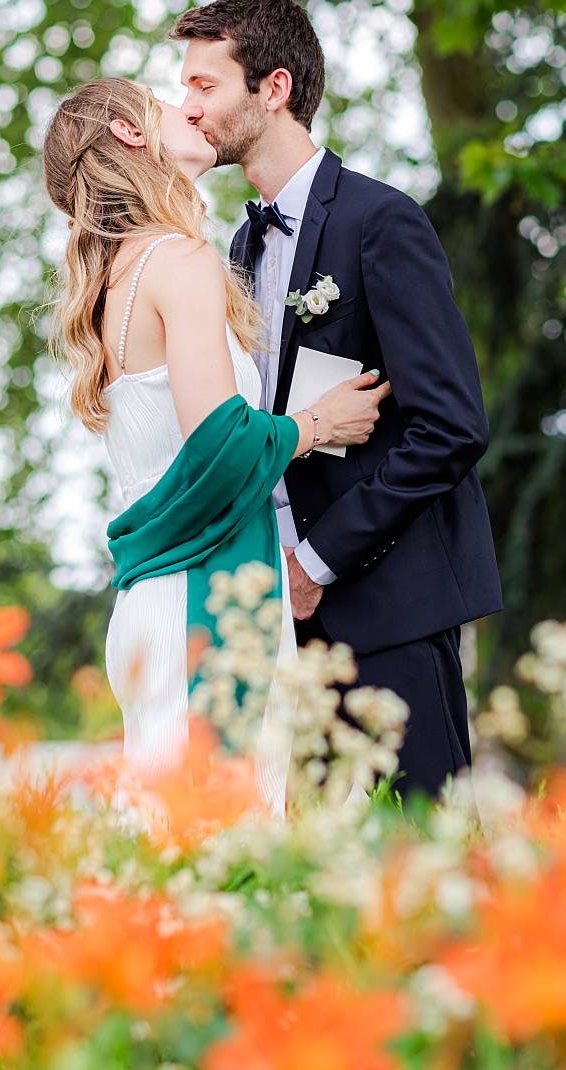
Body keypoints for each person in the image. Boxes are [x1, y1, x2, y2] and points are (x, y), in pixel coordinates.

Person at [170, 0, 503, 800]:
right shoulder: (238, 248)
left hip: (392, 609)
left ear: (273, 88)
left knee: (430, 852)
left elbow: (451, 426)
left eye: (205, 85)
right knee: (316, 870)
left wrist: (317, 563)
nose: (189, 108)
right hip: (283, 627)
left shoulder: (381, 221)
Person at [41, 76, 390, 814]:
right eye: (173, 101)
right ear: (133, 132)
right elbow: (221, 442)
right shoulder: (179, 259)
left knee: (174, 848)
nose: (193, 110)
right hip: (205, 598)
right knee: (216, 842)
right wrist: (318, 425)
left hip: (153, 601)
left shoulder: (115, 278)